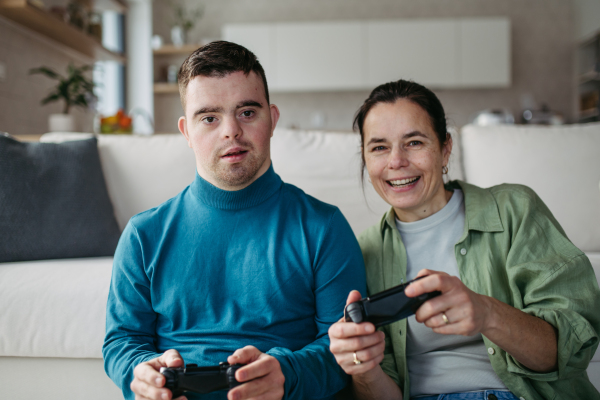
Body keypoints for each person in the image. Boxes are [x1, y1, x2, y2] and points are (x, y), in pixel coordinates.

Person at [102, 41, 366, 400]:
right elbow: (122, 341)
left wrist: (287, 375)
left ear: (272, 120)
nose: (231, 131)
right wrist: (141, 374)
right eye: (209, 117)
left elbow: (346, 351)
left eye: (246, 112)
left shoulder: (324, 227)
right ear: (186, 133)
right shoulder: (143, 235)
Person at [328, 79, 600, 400]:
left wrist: (486, 313)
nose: (396, 161)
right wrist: (365, 369)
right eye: (379, 147)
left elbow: (566, 353)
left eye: (414, 142)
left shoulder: (514, 209)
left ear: (445, 148)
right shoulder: (363, 252)